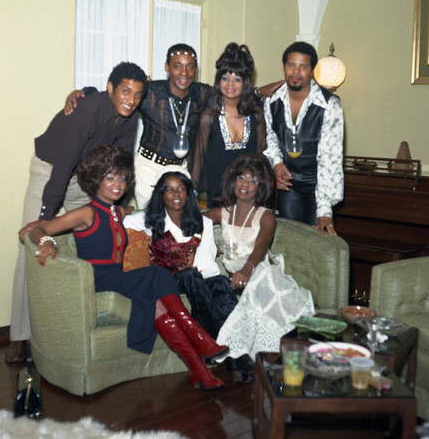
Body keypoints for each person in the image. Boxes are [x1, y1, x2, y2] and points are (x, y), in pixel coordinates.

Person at [28, 144, 228, 390]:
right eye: (110, 177)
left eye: (122, 178)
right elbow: (37, 229)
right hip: (97, 277)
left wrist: (126, 210)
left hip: (119, 277)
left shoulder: (116, 211)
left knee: (157, 304)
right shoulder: (85, 213)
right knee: (156, 273)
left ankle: (199, 371)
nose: (118, 184)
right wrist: (46, 242)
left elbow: (128, 212)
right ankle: (200, 337)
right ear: (95, 179)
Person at [6, 62, 147, 364]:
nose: (131, 100)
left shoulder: (130, 118)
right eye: (125, 91)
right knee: (30, 244)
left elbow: (120, 165)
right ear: (110, 88)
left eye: (137, 94)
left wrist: (120, 206)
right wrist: (45, 216)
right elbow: (63, 165)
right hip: (51, 170)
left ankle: (74, 325)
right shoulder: (86, 110)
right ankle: (20, 337)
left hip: (84, 175)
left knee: (97, 238)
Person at [64, 43, 281, 209]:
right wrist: (83, 93)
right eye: (177, 66)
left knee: (178, 225)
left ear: (195, 69)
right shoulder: (150, 92)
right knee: (152, 220)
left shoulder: (202, 93)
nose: (183, 73)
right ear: (167, 67)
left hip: (179, 167)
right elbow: (119, 95)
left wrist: (258, 91)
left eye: (189, 67)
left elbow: (231, 91)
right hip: (149, 167)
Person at [205, 154, 315, 363]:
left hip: (262, 275)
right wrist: (209, 244)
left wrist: (247, 270)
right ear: (233, 180)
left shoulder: (265, 215)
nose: (245, 184)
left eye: (253, 180)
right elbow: (193, 224)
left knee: (291, 320)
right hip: (240, 282)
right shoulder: (222, 212)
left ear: (261, 186)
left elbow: (261, 247)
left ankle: (296, 355)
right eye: (241, 178)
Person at [124, 171, 238, 338]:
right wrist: (123, 209)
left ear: (188, 193)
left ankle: (235, 349)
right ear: (161, 195)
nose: (176, 194)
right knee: (190, 274)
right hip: (166, 284)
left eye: (181, 189)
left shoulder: (203, 222)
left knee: (220, 282)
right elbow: (119, 222)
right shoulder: (150, 219)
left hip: (195, 280)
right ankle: (207, 340)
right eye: (169, 189)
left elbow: (207, 265)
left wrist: (202, 279)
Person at [263, 41, 344, 235]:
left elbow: (330, 158)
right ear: (284, 67)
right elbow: (270, 138)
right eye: (291, 65)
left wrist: (324, 209)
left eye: (303, 66)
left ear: (312, 70)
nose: (296, 72)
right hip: (289, 184)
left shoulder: (329, 105)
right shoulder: (272, 101)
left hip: (318, 182)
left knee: (316, 245)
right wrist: (276, 164)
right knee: (290, 242)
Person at [191, 43, 267, 208]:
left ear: (245, 82)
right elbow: (199, 158)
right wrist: (192, 195)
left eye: (237, 79)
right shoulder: (209, 117)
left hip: (249, 194)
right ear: (219, 81)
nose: (230, 84)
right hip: (219, 195)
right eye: (225, 78)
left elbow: (261, 156)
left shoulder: (256, 114)